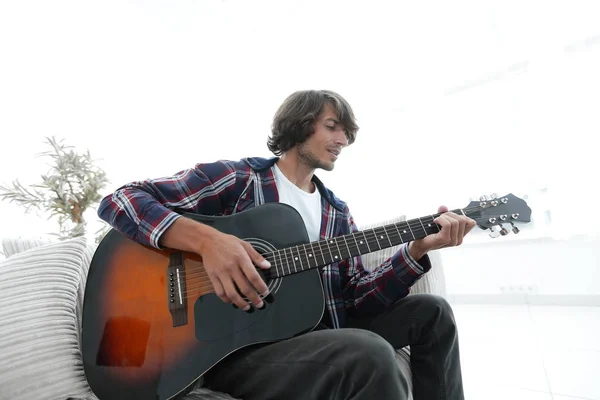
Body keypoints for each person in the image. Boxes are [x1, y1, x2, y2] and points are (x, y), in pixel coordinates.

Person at [97, 89, 476, 400]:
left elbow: (357, 300)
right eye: (332, 127)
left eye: (347, 133)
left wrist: (416, 250)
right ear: (298, 124)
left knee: (433, 313)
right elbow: (121, 201)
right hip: (239, 350)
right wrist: (210, 243)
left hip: (320, 336)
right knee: (370, 353)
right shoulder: (239, 179)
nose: (343, 141)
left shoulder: (336, 213)